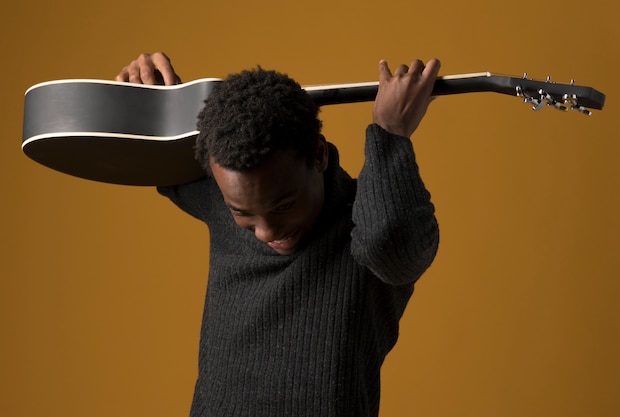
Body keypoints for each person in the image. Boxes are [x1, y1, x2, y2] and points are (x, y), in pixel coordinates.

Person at [116, 52, 440, 417]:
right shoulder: (219, 199)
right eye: (242, 213)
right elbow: (148, 156)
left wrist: (390, 134)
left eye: (283, 205)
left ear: (318, 156)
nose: (266, 231)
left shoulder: (365, 221)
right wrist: (153, 98)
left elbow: (392, 242)